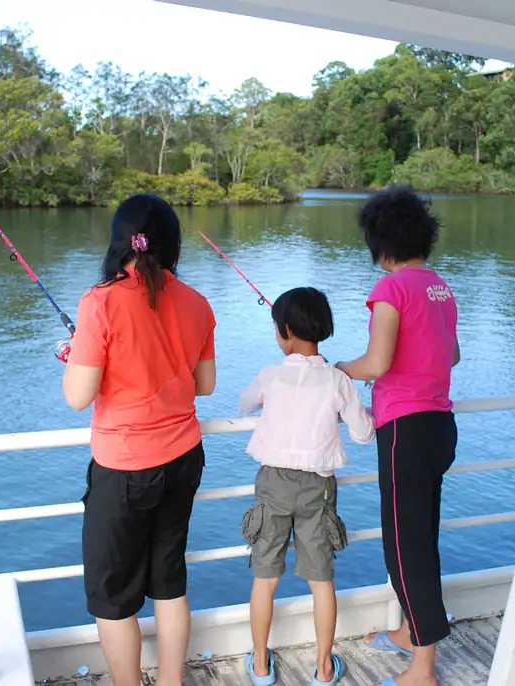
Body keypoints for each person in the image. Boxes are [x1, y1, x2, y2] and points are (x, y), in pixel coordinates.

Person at [62, 194, 216, 686]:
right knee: (169, 583)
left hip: (124, 468)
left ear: (117, 242)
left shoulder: (99, 302)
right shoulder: (196, 302)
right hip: (183, 459)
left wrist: (75, 357)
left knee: (113, 597)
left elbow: (77, 398)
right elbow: (205, 384)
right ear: (171, 244)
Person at [335, 188, 460, 686]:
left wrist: (337, 369)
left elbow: (377, 362)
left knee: (405, 549)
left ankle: (422, 668)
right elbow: (450, 357)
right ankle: (412, 632)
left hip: (404, 430)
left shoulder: (391, 290)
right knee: (421, 539)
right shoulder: (441, 288)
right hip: (439, 428)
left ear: (380, 245)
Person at [239, 287, 375, 686]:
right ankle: (323, 668)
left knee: (264, 577)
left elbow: (246, 403)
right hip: (319, 488)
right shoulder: (337, 379)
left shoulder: (270, 374)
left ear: (285, 331)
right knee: (322, 582)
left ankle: (261, 666)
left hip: (274, 483)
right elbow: (364, 434)